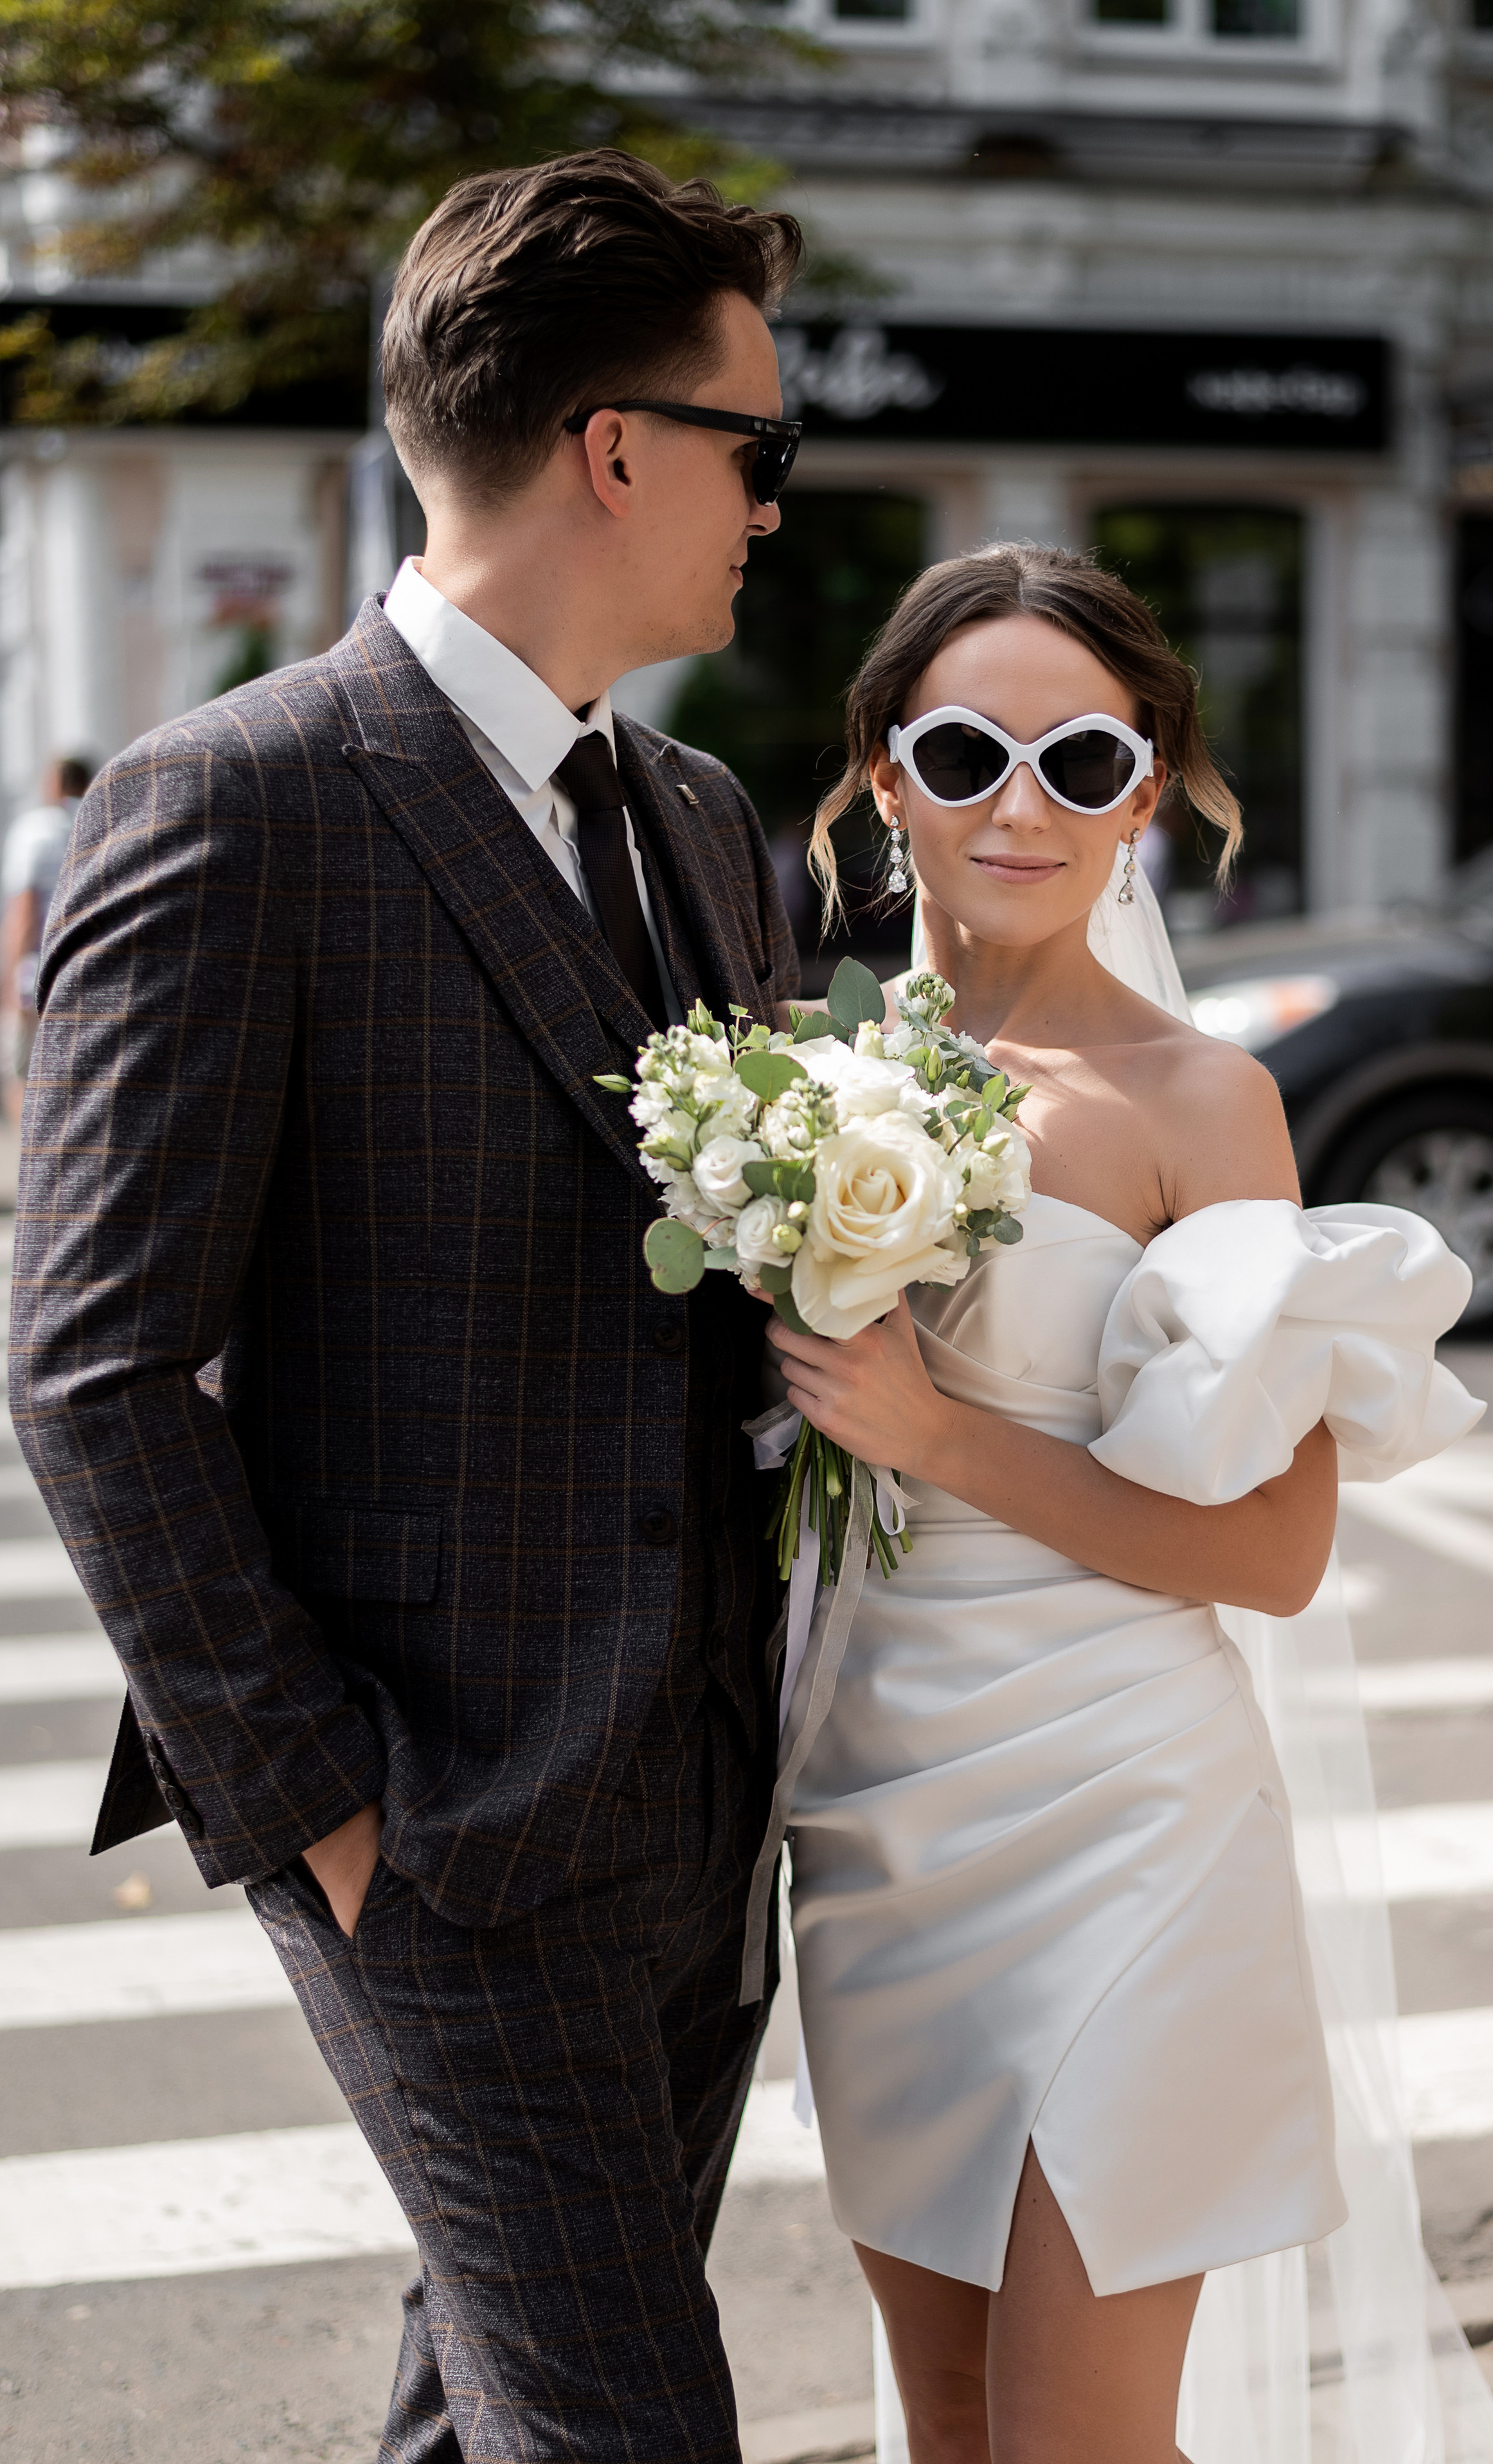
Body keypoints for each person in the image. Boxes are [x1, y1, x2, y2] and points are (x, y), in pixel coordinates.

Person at [10, 153, 806, 2463]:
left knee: (488, 2413)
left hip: (700, 1797)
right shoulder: (228, 807)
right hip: (443, 1824)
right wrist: (324, 1812)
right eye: (755, 443)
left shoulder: (697, 816)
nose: (773, 496)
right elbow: (93, 1358)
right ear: (615, 447)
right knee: (628, 2431)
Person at [764, 546, 1493, 2463]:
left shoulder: (1202, 1102)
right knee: (945, 2423)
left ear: (1151, 796)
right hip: (871, 1824)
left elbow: (1272, 1553)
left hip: (1128, 1824)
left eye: (1083, 764)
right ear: (878, 772)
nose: (1022, 807)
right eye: (966, 751)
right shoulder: (785, 1077)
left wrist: (932, 1432)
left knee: (1073, 2441)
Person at [1, 755, 91, 1119]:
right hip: (89, 970)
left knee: (24, 1074)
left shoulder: (35, 830)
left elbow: (24, 911)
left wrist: (9, 979)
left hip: (36, 972)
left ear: (54, 784)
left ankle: (33, 1169)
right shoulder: (96, 822)